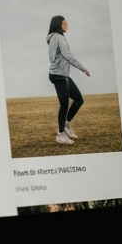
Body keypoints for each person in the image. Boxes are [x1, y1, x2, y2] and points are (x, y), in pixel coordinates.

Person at [46, 15, 90, 146]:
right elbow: (68, 55)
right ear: (58, 25)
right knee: (64, 105)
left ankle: (66, 125)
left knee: (78, 99)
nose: (67, 25)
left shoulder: (53, 38)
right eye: (65, 23)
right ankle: (60, 134)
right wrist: (83, 69)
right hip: (59, 75)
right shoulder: (58, 37)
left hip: (62, 74)